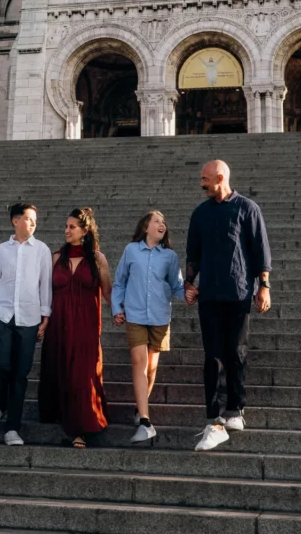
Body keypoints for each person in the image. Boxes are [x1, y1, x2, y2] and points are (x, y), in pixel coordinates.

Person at [185, 160, 272, 452]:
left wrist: (264, 287)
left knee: (236, 352)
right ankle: (213, 418)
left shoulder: (248, 209)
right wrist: (189, 282)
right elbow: (192, 253)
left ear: (220, 178)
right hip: (209, 294)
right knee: (213, 356)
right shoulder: (200, 213)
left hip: (239, 293)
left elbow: (260, 250)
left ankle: (236, 408)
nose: (201, 183)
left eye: (205, 179)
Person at [38, 207, 112, 449]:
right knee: (60, 371)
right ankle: (60, 415)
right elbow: (44, 293)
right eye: (66, 226)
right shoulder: (56, 257)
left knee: (82, 375)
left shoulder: (98, 259)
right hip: (58, 324)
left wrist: (125, 312)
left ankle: (80, 429)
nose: (66, 230)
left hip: (86, 327)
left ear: (85, 230)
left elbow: (110, 293)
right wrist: (43, 319)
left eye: (72, 227)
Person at [0, 202, 52, 446]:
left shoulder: (42, 250)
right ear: (15, 221)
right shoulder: (2, 250)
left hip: (29, 319)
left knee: (20, 373)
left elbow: (45, 285)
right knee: (0, 363)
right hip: (1, 315)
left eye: (35, 220)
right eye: (28, 219)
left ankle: (13, 428)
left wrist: (45, 316)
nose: (32, 223)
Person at [112, 210, 185, 443]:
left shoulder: (170, 256)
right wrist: (117, 309)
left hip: (160, 317)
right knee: (139, 363)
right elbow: (119, 282)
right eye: (156, 221)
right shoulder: (131, 250)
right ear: (145, 227)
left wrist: (191, 293)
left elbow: (177, 286)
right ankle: (145, 420)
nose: (162, 224)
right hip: (134, 315)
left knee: (151, 369)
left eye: (164, 222)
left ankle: (139, 408)